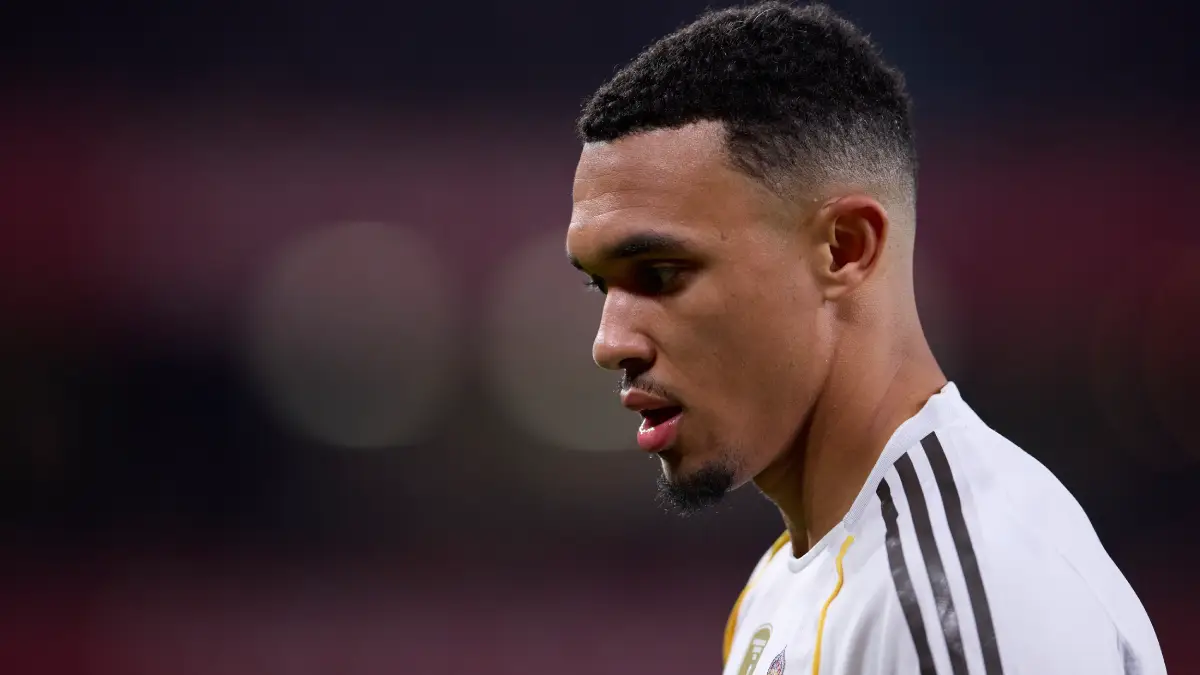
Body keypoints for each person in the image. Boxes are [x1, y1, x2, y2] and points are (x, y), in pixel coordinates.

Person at [564, 2, 1166, 674]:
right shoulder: (786, 586)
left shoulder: (961, 595)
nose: (610, 343)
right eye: (600, 285)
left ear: (845, 248)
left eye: (660, 273)